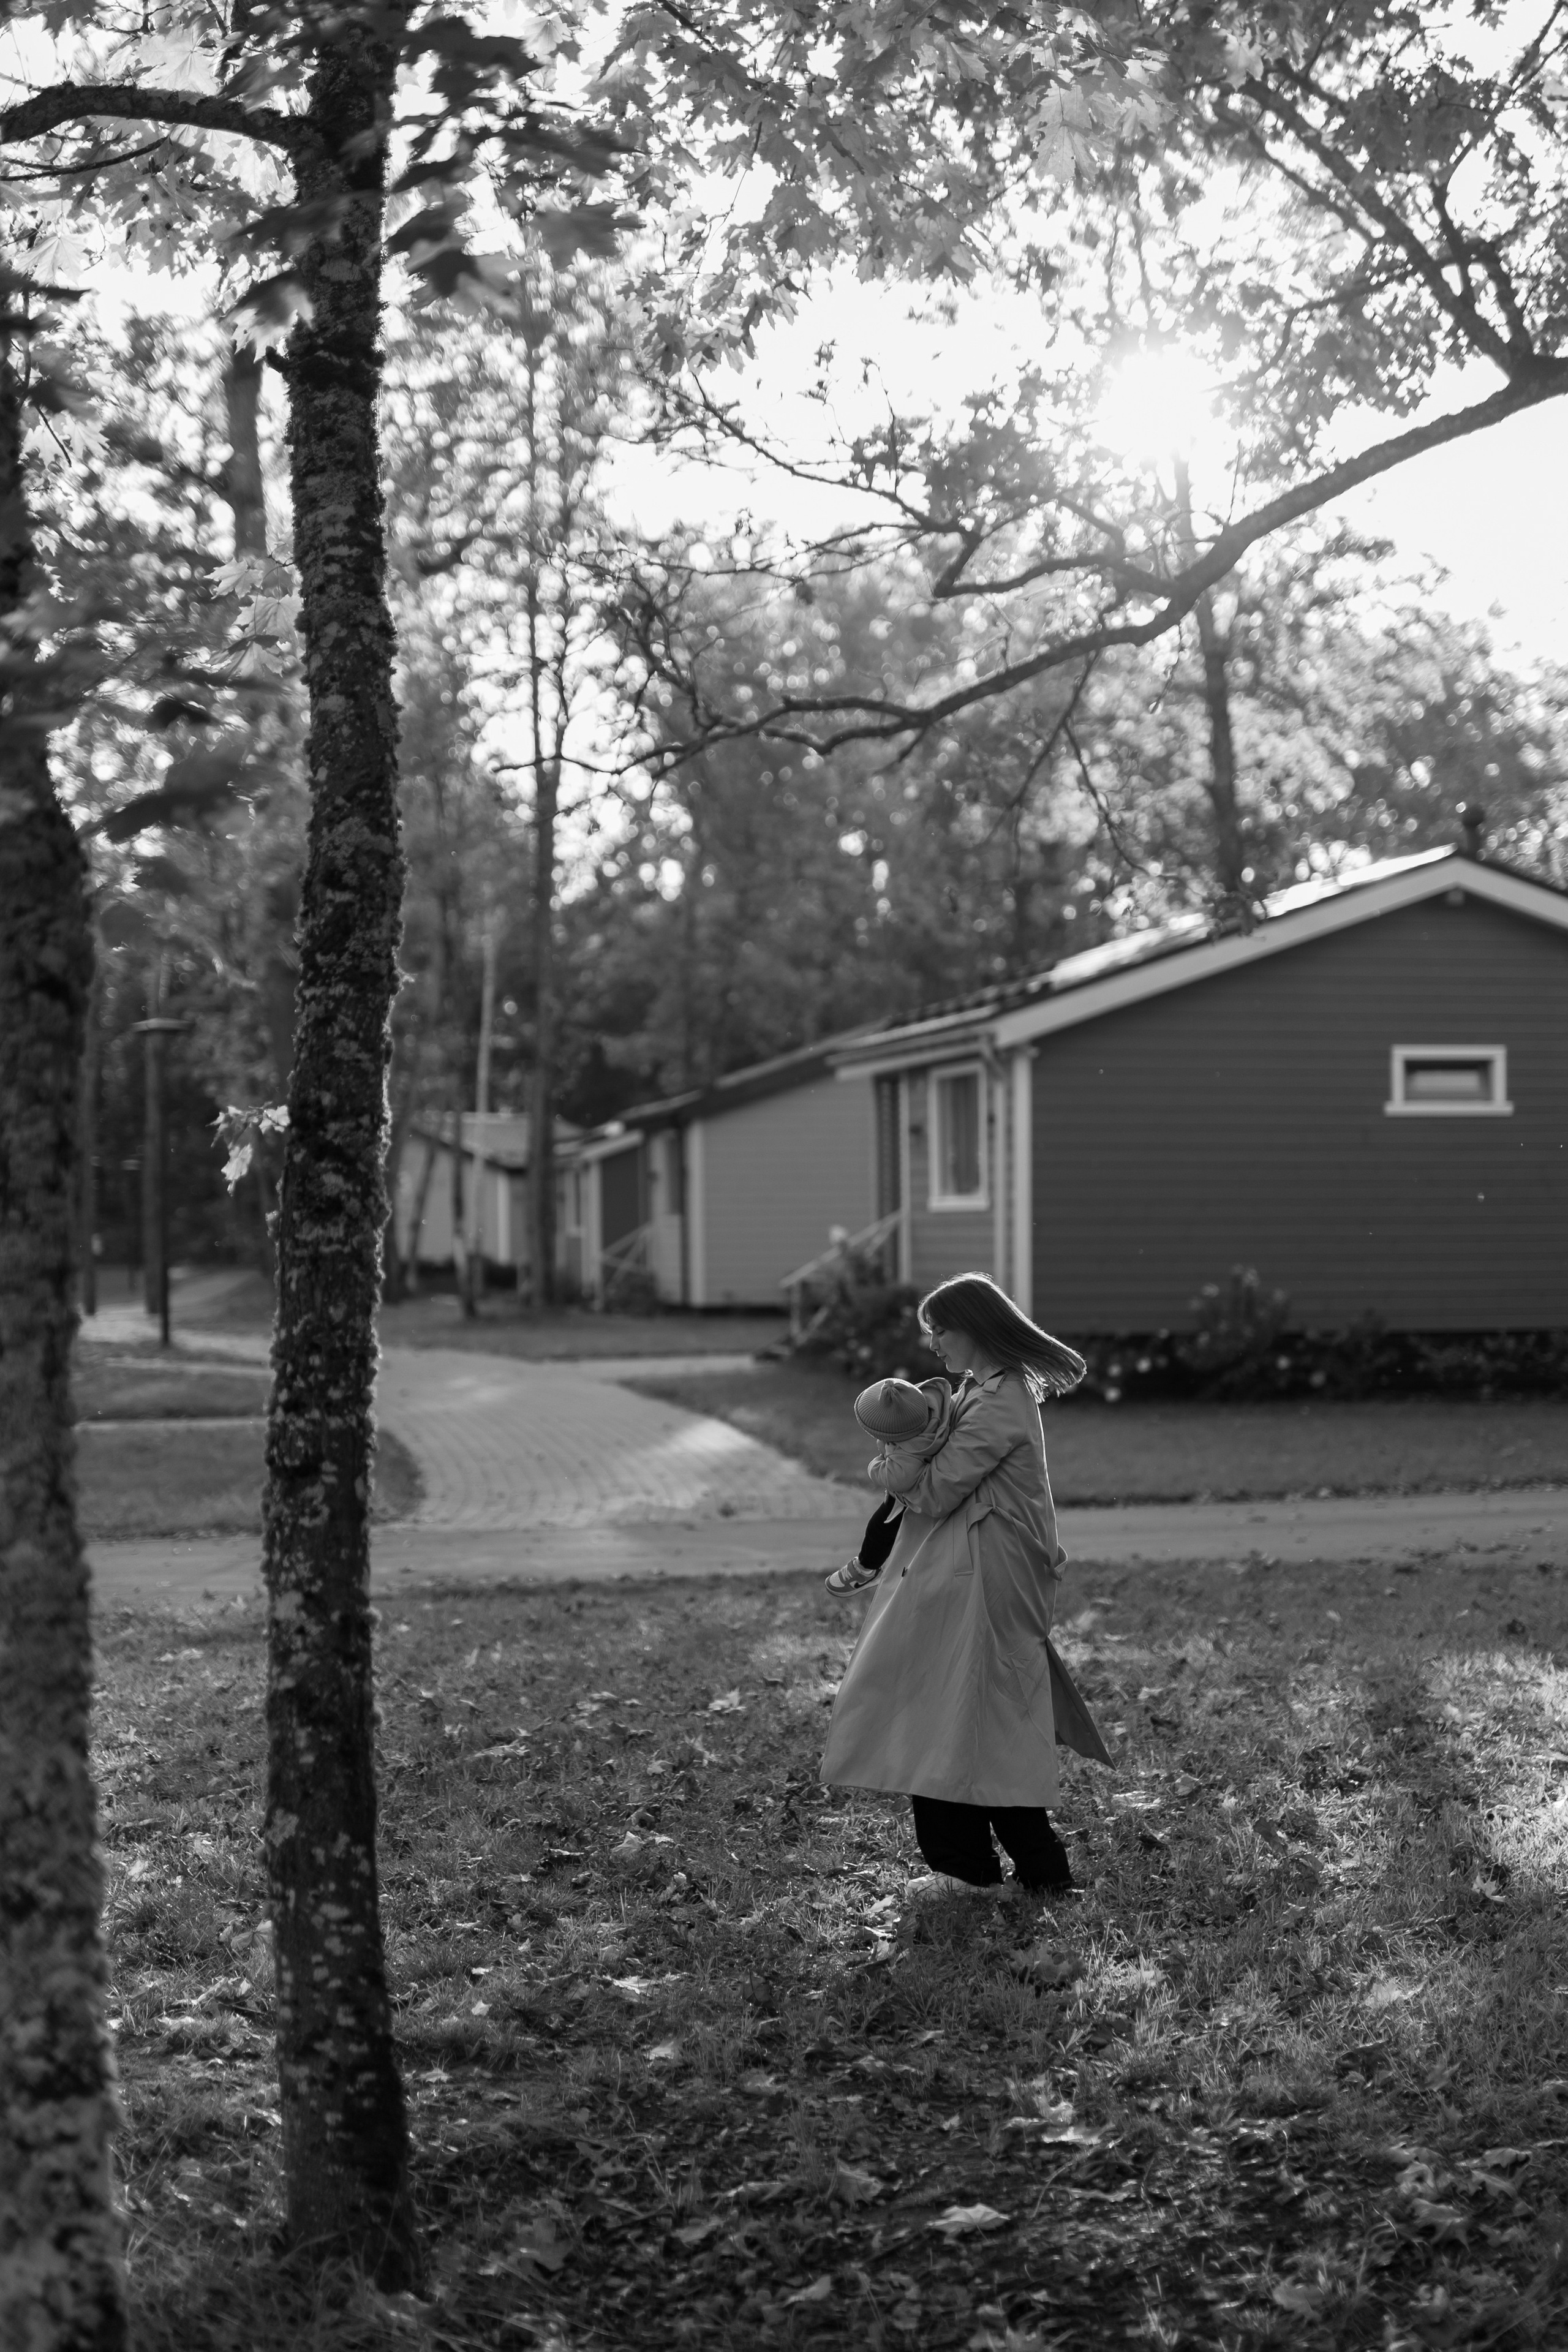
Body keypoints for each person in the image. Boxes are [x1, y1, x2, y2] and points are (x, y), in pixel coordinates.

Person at [819, 1271, 1110, 1896]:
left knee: (968, 1716)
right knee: (950, 1712)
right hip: (966, 1571)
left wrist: (898, 1452)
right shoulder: (982, 1391)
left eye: (940, 1330)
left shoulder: (1001, 1400)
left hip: (986, 1577)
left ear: (973, 1328)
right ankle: (989, 1869)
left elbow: (933, 1489)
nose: (934, 1345)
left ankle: (1002, 1871)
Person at [823, 1375, 955, 1596]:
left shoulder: (908, 1454)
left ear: (892, 1436)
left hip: (906, 1500)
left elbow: (897, 1480)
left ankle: (866, 1569)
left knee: (880, 1528)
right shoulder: (933, 1407)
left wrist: (877, 1463)